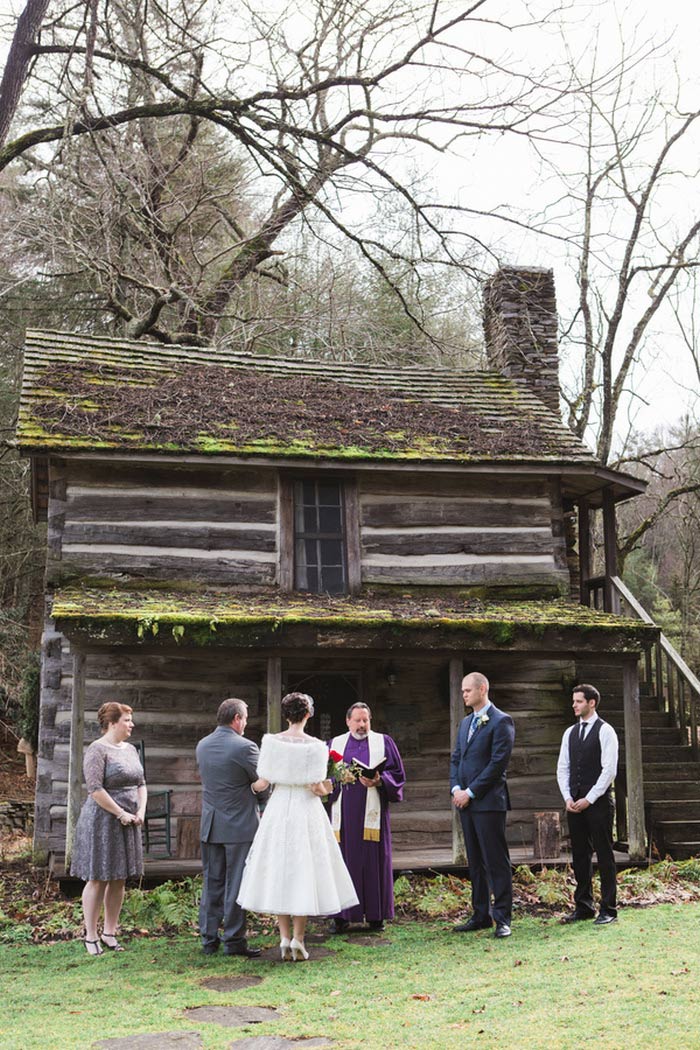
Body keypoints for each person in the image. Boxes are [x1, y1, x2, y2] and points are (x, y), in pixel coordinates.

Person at [237, 692, 358, 960]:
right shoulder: (316, 746)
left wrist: (243, 788)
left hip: (279, 808)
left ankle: (283, 938)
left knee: (280, 869)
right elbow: (317, 788)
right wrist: (330, 785)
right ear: (308, 714)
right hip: (305, 809)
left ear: (285, 714)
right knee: (303, 869)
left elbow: (263, 782)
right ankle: (299, 939)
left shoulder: (270, 742)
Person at [70, 702, 147, 956]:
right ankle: (90, 935)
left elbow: (141, 783)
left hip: (129, 821)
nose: (131, 724)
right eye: (126, 720)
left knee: (119, 878)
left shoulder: (131, 750)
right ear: (112, 723)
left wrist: (140, 812)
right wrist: (120, 813)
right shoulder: (97, 749)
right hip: (102, 822)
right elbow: (95, 789)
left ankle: (110, 932)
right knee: (99, 877)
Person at [196, 698, 268, 957]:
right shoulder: (245, 747)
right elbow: (262, 780)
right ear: (236, 719)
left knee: (212, 882)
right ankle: (234, 941)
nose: (246, 723)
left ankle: (208, 939)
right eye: (245, 718)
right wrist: (259, 800)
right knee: (237, 882)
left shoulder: (202, 746)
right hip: (239, 824)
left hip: (211, 823)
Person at [327, 702, 405, 933]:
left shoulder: (384, 742)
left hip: (373, 815)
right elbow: (323, 777)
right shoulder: (335, 745)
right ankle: (341, 916)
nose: (362, 725)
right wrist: (339, 780)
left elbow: (397, 774)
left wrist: (380, 781)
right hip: (345, 815)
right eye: (358, 720)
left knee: (375, 860)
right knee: (343, 861)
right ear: (348, 721)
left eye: (366, 720)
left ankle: (375, 914)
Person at [450, 672, 515, 939]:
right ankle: (480, 914)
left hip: (488, 803)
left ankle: (502, 918)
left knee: (495, 860)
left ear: (482, 689)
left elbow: (497, 764)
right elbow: (456, 759)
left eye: (468, 690)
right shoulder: (465, 723)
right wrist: (456, 788)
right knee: (475, 861)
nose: (464, 694)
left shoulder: (502, 721)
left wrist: (472, 792)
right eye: (463, 691)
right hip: (464, 802)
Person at [556, 683, 619, 926]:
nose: (574, 705)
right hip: (574, 803)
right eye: (573, 701)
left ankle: (609, 909)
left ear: (591, 703)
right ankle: (583, 907)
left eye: (579, 701)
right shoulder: (569, 733)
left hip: (599, 803)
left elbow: (609, 770)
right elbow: (563, 767)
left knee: (604, 855)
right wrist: (568, 798)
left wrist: (589, 799)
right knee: (580, 855)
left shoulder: (606, 731)